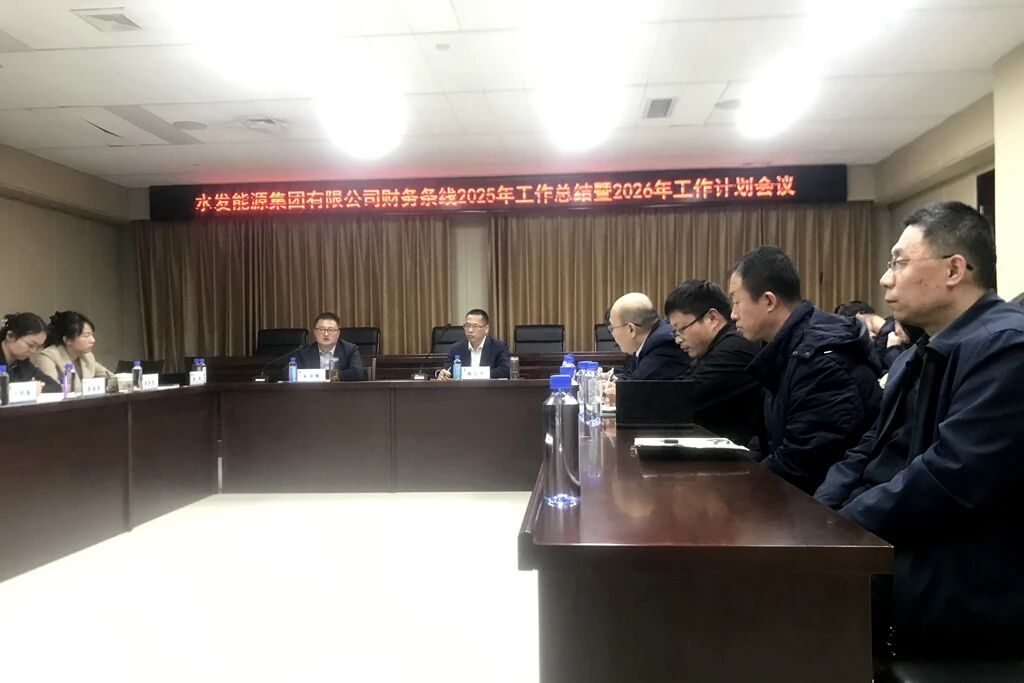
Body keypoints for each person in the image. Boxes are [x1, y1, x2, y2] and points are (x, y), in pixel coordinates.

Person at [815, 201, 1024, 660]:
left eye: (899, 263)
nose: (885, 279)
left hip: (960, 577)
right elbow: (869, 448)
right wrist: (820, 513)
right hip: (896, 547)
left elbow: (950, 475)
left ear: (954, 270)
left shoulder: (1006, 348)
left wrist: (844, 527)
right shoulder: (919, 352)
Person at [728, 246, 881, 494]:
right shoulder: (784, 350)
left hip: (824, 505)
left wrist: (738, 489)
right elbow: (768, 442)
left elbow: (802, 464)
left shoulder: (821, 362)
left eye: (736, 302)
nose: (733, 314)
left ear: (769, 301)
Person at [663, 279, 763, 445]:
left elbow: (680, 400)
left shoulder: (733, 349)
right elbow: (680, 385)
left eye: (681, 329)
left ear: (712, 318)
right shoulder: (712, 349)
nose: (678, 339)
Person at [607, 292, 690, 381]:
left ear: (631, 329)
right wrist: (609, 378)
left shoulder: (662, 345)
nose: (612, 334)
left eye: (612, 328)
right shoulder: (648, 343)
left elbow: (635, 384)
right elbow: (630, 375)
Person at [32, 310, 114, 392]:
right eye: (86, 336)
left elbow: (111, 378)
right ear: (67, 340)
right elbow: (52, 390)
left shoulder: (87, 356)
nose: (93, 340)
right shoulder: (47, 357)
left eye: (92, 335)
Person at [834, 300, 910, 371]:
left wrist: (892, 348)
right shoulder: (892, 326)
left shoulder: (892, 331)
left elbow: (898, 369)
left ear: (859, 315)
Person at [436, 309, 510, 380]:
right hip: (463, 388)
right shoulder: (456, 348)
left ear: (486, 329)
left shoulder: (498, 346)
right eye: (467, 326)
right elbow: (448, 370)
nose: (470, 330)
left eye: (475, 326)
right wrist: (443, 374)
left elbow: (505, 371)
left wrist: (477, 374)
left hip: (488, 388)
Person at [1, 312, 61, 392]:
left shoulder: (24, 363)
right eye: (30, 345)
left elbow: (55, 387)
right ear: (10, 336)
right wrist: (25, 389)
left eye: (38, 347)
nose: (33, 351)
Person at [294, 312, 364, 381]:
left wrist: (326, 375)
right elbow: (291, 373)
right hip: (312, 388)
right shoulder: (304, 351)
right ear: (315, 332)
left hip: (340, 388)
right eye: (321, 329)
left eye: (331, 330)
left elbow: (357, 373)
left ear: (338, 333)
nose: (326, 334)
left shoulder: (350, 350)